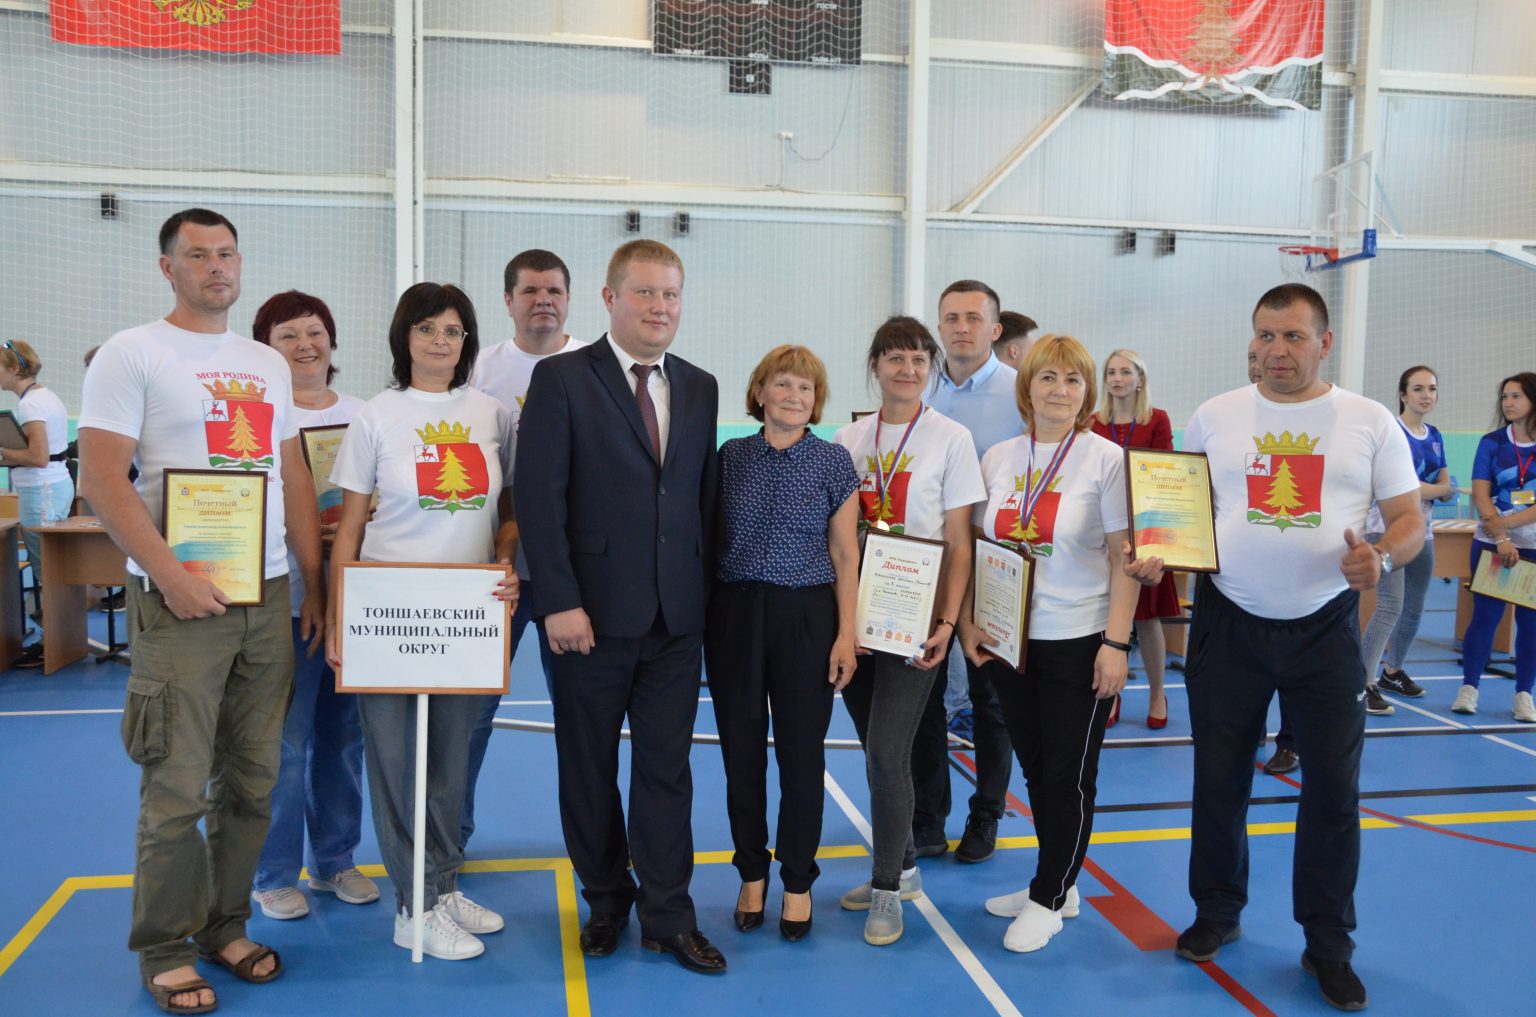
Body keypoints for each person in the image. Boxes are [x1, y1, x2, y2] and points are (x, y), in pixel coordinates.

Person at [78, 208, 324, 1014]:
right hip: (182, 599)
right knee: (177, 785)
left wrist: (312, 580)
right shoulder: (132, 353)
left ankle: (226, 922)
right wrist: (170, 575)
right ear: (167, 267)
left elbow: (288, 474)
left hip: (269, 595)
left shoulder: (262, 359)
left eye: (226, 253)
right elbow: (103, 480)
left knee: (253, 778)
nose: (216, 266)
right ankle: (165, 947)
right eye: (198, 255)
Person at [1173, 283, 1422, 1012]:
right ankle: (1216, 909)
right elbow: (1180, 511)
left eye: (1292, 336)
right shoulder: (1214, 416)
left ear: (1324, 341)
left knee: (1334, 793)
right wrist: (1161, 551)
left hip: (1324, 629)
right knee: (1218, 778)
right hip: (1227, 622)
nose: (1277, 351)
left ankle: (1327, 942)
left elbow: (1407, 518)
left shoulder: (1369, 420)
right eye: (1265, 336)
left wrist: (1380, 555)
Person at [515, 240, 727, 974]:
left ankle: (669, 914)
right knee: (588, 765)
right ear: (610, 298)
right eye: (645, 294)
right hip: (589, 619)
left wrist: (703, 603)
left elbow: (698, 502)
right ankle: (607, 896)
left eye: (671, 294)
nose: (660, 308)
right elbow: (538, 500)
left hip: (675, 621)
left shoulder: (701, 387)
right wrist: (559, 603)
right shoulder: (561, 379)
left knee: (667, 770)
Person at [326, 282, 518, 960]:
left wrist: (504, 558)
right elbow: (349, 528)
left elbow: (512, 510)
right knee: (396, 764)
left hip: (466, 618)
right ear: (403, 336)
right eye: (428, 328)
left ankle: (439, 883)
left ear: (468, 341)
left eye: (455, 330)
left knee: (450, 765)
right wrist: (339, 619)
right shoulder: (375, 416)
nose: (441, 341)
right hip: (387, 613)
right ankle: (413, 906)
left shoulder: (493, 413)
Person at [959, 334, 1148, 953]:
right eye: (1047, 378)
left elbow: (1126, 561)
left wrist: (1116, 644)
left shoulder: (1104, 460)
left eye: (1072, 379)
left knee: (1067, 776)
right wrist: (974, 623)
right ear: (1027, 386)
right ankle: (1059, 881)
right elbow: (984, 549)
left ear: (1086, 392)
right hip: (1014, 643)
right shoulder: (1000, 457)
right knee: (1038, 771)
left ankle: (1048, 896)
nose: (1059, 390)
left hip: (1080, 637)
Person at [832, 315, 985, 946]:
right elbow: (838, 541)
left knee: (885, 754)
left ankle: (888, 889)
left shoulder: (952, 438)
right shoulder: (847, 439)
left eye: (919, 359)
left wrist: (948, 622)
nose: (907, 369)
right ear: (876, 365)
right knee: (876, 747)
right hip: (856, 620)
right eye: (895, 357)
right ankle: (905, 866)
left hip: (916, 621)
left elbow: (959, 540)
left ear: (931, 368)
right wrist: (842, 625)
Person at [706, 345, 860, 941]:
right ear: (761, 391)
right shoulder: (729, 457)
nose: (795, 397)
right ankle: (751, 874)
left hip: (806, 616)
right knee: (740, 752)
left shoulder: (833, 463)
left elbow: (846, 554)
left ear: (816, 401)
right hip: (736, 614)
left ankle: (797, 881)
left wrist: (845, 634)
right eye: (784, 385)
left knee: (802, 756)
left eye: (806, 389)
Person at [247, 291, 379, 920]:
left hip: (357, 591)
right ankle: (273, 872)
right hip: (289, 596)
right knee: (286, 738)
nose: (305, 345)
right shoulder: (258, 417)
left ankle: (335, 860)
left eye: (315, 331)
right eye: (287, 336)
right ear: (264, 350)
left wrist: (365, 516)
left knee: (344, 733)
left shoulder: (366, 413)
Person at [461, 248, 587, 857]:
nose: (544, 301)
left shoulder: (598, 368)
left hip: (575, 579)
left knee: (584, 720)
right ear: (507, 299)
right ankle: (447, 843)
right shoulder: (477, 372)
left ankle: (593, 847)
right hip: (494, 574)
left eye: (554, 291)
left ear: (570, 299)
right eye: (531, 291)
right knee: (471, 717)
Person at [916, 280, 1023, 866]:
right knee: (924, 691)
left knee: (990, 698)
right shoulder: (918, 384)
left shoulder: (1020, 391)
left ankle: (986, 816)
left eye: (973, 318)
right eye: (951, 317)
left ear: (995, 329)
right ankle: (928, 818)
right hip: (925, 560)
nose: (961, 327)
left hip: (993, 559)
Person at [1091, 348, 1178, 729]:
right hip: (1107, 530)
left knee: (1147, 619)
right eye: (1110, 372)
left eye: (1125, 371)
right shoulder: (1093, 422)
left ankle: (1157, 693)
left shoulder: (1156, 420)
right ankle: (1111, 692)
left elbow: (1166, 472)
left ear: (1140, 378)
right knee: (1111, 615)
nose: (1116, 378)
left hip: (1147, 527)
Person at [1359, 366, 1452, 713]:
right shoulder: (1391, 432)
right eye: (1418, 389)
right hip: (1386, 529)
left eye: (1431, 388)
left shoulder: (1436, 435)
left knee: (1415, 605)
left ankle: (1392, 671)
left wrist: (1431, 489)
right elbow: (1406, 487)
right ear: (1403, 395)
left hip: (1423, 531)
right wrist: (1430, 489)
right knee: (1390, 605)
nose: (1426, 395)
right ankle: (1364, 681)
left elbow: (1444, 485)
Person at [1453, 372, 1536, 722]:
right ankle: (1469, 687)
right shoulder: (1492, 443)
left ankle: (1523, 696)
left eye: (1516, 396)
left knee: (1531, 624)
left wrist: (1508, 527)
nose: (1507, 402)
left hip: (1531, 546)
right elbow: (1481, 492)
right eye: (1504, 396)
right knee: (1485, 618)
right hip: (1490, 544)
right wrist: (1500, 537)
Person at [0, 338, 75, 668]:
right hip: (52, 486)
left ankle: (52, 643)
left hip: (42, 490)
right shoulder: (45, 397)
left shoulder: (30, 406)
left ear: (14, 368)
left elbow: (37, 456)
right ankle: (55, 639)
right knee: (48, 568)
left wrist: (2, 453)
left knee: (45, 569)